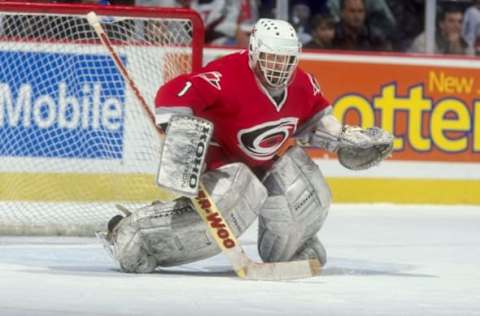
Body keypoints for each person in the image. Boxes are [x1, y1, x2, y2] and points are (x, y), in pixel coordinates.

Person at [102, 18, 393, 273]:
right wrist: (181, 133)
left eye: (285, 59)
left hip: (263, 165)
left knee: (307, 189)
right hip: (220, 166)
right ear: (254, 51)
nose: (279, 66)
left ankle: (288, 250)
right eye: (271, 58)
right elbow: (173, 94)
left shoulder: (304, 84)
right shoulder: (227, 75)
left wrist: (342, 137)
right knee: (238, 194)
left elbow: (316, 122)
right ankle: (134, 234)